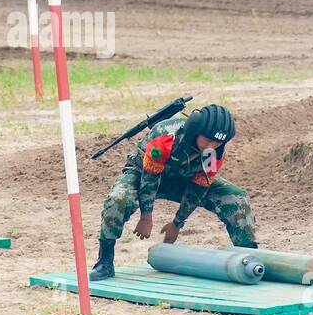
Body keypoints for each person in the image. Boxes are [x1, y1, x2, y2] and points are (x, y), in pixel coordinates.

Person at [89, 104, 257, 282]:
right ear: (195, 131)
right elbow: (150, 179)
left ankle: (251, 256)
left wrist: (177, 222)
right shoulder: (165, 137)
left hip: (183, 179)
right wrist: (146, 217)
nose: (211, 146)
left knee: (235, 197)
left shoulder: (214, 152)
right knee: (118, 199)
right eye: (207, 140)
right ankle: (104, 261)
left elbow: (199, 187)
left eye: (217, 143)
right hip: (144, 173)